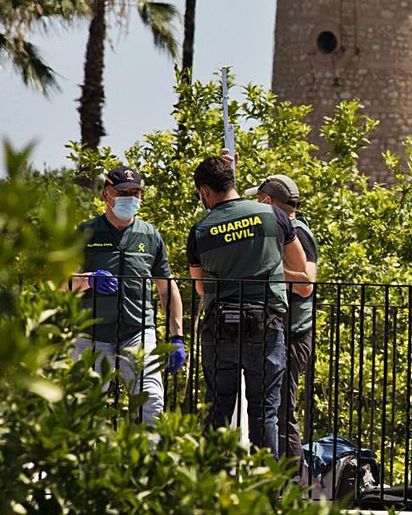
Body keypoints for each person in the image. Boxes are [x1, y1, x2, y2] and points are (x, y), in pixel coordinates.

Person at [187, 156, 309, 455]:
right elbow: (302, 271)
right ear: (233, 182)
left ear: (204, 192)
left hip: (219, 331)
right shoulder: (273, 216)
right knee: (265, 412)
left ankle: (209, 485)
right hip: (265, 327)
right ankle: (264, 491)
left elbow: (201, 287)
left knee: (217, 411)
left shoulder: (200, 230)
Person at [67, 166, 186, 426]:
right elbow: (61, 285)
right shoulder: (86, 232)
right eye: (124, 192)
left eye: (136, 192)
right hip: (92, 335)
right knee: (84, 407)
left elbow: (167, 288)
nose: (131, 198)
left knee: (151, 402)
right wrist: (88, 280)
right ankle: (87, 463)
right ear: (106, 195)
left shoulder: (150, 235)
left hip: (138, 332)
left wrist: (176, 336)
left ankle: (148, 463)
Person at [246, 174, 318, 470]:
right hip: (282, 332)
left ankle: (292, 486)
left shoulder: (297, 232)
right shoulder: (290, 230)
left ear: (267, 202)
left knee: (283, 411)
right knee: (275, 408)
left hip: (293, 335)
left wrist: (268, 269)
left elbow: (306, 285)